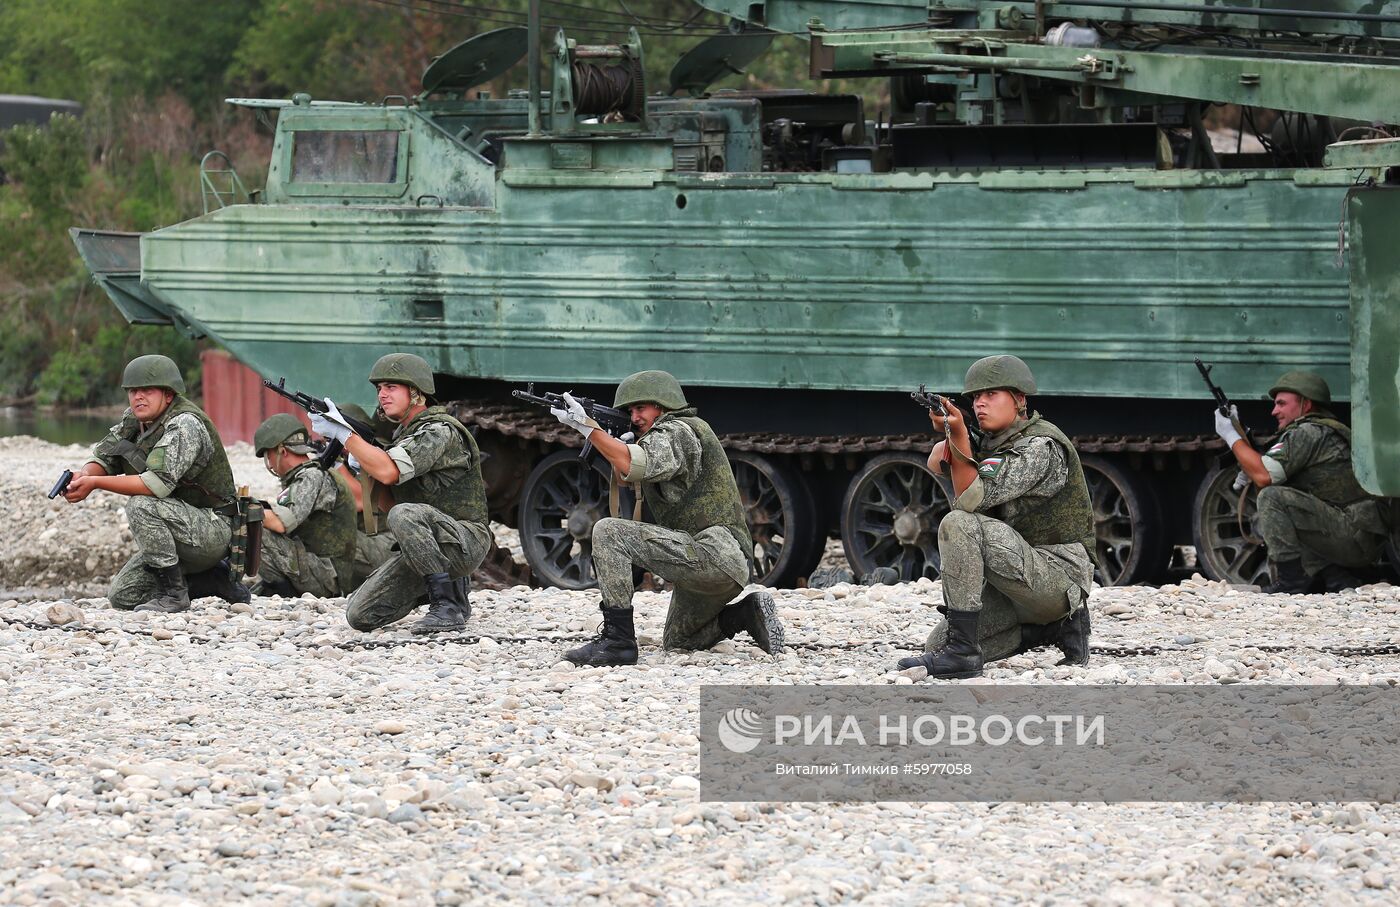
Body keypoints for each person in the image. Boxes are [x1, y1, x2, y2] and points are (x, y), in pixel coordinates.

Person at [550, 369, 784, 666]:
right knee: (680, 640)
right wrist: (609, 440)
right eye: (630, 410)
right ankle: (745, 614)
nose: (634, 417)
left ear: (663, 405)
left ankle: (617, 641)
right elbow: (626, 476)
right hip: (722, 567)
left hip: (713, 555)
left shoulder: (677, 431)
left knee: (609, 532)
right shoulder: (679, 433)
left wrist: (589, 428)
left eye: (641, 407)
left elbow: (634, 465)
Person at [897, 355, 1094, 679]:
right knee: (937, 643)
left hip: (1057, 578)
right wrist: (953, 434)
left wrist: (959, 435)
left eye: (991, 395)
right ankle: (1049, 631)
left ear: (1019, 400)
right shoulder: (995, 444)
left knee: (958, 524)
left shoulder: (1039, 447)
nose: (980, 404)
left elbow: (970, 500)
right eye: (975, 397)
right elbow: (936, 462)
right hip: (1015, 578)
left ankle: (964, 656)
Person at [314, 353, 489, 633]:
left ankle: (446, 606)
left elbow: (389, 474)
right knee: (360, 614)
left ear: (416, 392)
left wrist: (347, 436)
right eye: (379, 388)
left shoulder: (439, 431)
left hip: (466, 539)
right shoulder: (404, 437)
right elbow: (389, 502)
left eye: (391, 387)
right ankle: (451, 590)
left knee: (404, 514)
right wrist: (362, 467)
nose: (382, 395)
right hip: (431, 541)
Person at [62, 354, 245, 612]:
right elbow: (104, 456)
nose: (138, 397)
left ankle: (175, 595)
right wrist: (84, 475)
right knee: (122, 596)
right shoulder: (135, 419)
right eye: (133, 391)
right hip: (179, 522)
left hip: (213, 529)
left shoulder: (185, 424)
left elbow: (154, 485)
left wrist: (96, 484)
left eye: (147, 390)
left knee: (141, 505)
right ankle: (210, 579)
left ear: (168, 395)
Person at [1215, 370, 1388, 593]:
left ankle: (1292, 581)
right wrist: (1249, 459)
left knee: (1272, 497)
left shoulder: (1307, 432)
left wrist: (1231, 436)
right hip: (1359, 536)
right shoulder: (1323, 429)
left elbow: (1264, 476)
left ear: (1306, 405)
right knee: (1288, 495)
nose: (1274, 411)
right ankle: (1335, 576)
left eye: (1281, 404)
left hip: (1351, 536)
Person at [251, 413, 357, 598]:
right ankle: (277, 587)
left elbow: (280, 524)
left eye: (268, 455)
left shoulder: (311, 476)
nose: (269, 464)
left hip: (328, 577)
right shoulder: (307, 474)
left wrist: (245, 510)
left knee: (255, 528)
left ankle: (283, 590)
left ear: (282, 451)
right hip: (324, 569)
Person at [335, 402, 397, 590]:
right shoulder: (352, 460)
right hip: (377, 540)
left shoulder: (378, 456)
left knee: (330, 538)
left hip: (392, 542)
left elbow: (358, 499)